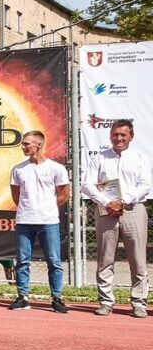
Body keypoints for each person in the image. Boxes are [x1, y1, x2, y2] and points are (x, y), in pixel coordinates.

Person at [81, 119, 151, 319]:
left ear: (131, 136)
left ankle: (139, 303)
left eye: (123, 134)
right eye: (115, 134)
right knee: (105, 259)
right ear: (110, 135)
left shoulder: (140, 158)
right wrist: (107, 202)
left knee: (138, 260)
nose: (118, 138)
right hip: (106, 211)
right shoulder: (99, 158)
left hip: (133, 210)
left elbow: (145, 184)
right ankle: (105, 302)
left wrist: (123, 201)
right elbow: (87, 184)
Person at [9, 130, 70, 313]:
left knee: (54, 261)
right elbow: (16, 195)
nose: (23, 147)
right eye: (23, 144)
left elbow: (64, 194)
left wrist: (47, 208)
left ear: (39, 145)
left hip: (49, 221)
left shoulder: (56, 168)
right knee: (22, 261)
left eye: (26, 144)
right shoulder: (18, 169)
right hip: (24, 221)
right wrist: (29, 208)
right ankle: (22, 297)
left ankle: (57, 298)